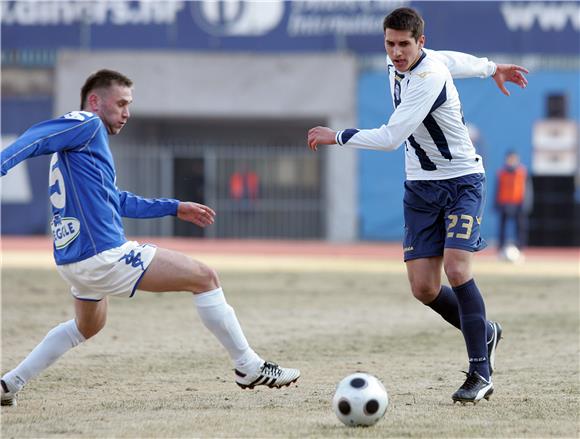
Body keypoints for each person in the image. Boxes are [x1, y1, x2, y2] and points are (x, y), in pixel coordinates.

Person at [0, 69, 299, 407]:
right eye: (122, 103)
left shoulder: (79, 147)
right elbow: (34, 137)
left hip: (74, 260)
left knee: (86, 327)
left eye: (130, 105)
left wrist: (173, 207)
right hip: (103, 254)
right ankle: (248, 366)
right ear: (95, 102)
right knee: (205, 277)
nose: (127, 113)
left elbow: (116, 200)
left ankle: (8, 384)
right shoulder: (86, 123)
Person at [308, 7, 528, 404]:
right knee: (424, 288)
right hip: (420, 188)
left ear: (419, 42)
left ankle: (480, 371)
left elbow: (392, 137)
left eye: (404, 44)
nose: (395, 52)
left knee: (457, 268)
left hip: (461, 182)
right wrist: (491, 67)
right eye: (390, 44)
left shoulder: (428, 76)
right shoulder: (414, 62)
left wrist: (337, 135)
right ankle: (485, 331)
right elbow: (457, 59)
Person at [495, 150, 531, 260]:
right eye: (510, 159)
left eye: (513, 159)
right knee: (502, 228)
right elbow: (497, 189)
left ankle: (520, 250)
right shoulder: (501, 172)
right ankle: (500, 250)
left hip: (518, 204)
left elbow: (528, 190)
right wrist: (497, 204)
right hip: (504, 203)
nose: (511, 161)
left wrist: (526, 204)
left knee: (520, 228)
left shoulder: (522, 172)